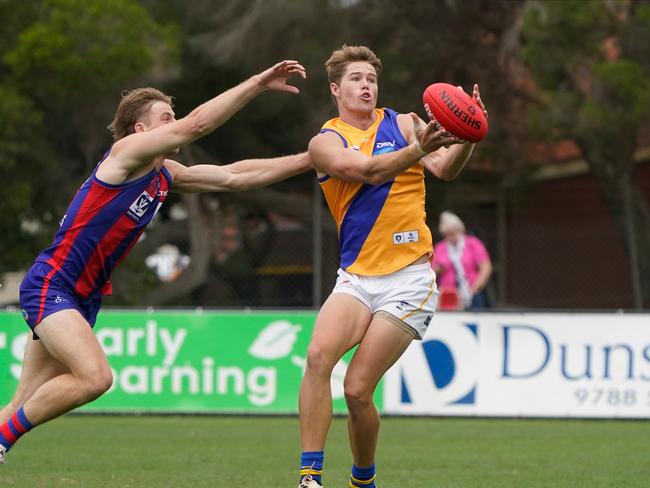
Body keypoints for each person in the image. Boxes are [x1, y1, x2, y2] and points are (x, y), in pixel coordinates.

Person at [0, 60, 311, 464]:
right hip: (52, 285)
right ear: (141, 131)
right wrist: (257, 83)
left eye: (175, 115)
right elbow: (197, 125)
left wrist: (310, 159)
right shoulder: (124, 155)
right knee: (95, 378)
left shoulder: (165, 174)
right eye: (167, 117)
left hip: (79, 297)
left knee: (20, 402)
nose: (176, 122)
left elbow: (236, 176)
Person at [297, 45, 487, 488]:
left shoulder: (403, 123)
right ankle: (309, 477)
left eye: (372, 78)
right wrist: (418, 147)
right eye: (356, 78)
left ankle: (363, 479)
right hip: (357, 278)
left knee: (358, 390)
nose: (367, 85)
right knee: (317, 356)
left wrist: (469, 137)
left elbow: (444, 168)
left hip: (409, 279)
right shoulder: (325, 143)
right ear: (335, 88)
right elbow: (368, 172)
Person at [431, 211, 493, 309]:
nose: (450, 238)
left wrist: (476, 288)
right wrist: (439, 268)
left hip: (472, 294)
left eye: (453, 233)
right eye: (447, 234)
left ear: (460, 229)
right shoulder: (440, 247)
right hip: (448, 297)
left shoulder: (473, 243)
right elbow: (432, 271)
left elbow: (485, 267)